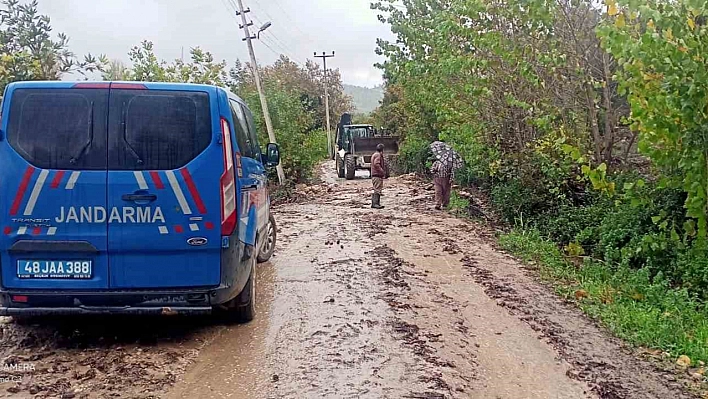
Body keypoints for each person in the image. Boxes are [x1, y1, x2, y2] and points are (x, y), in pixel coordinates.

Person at [370, 143, 387, 209]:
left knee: (376, 189)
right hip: (377, 175)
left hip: (375, 175)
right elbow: (376, 164)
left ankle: (375, 203)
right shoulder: (378, 155)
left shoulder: (375, 154)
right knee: (377, 189)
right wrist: (382, 171)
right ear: (382, 149)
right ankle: (375, 203)